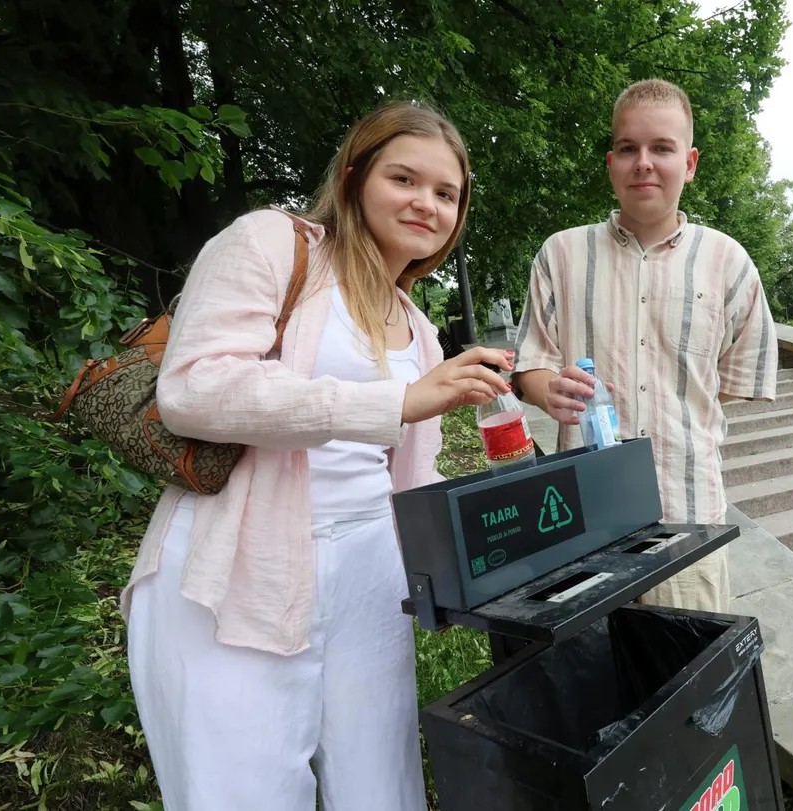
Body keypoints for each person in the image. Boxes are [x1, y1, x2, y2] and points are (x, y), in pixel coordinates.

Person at [122, 101, 512, 811]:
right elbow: (194, 388)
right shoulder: (274, 244)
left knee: (382, 791)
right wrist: (393, 403)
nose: (426, 202)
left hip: (369, 575)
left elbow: (410, 477)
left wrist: (489, 545)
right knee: (242, 792)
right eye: (405, 178)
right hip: (239, 573)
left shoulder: (420, 330)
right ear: (357, 173)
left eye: (446, 193)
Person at [511, 79, 778, 612]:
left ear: (691, 162)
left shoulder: (728, 263)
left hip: (688, 519)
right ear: (611, 162)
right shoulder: (560, 255)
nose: (644, 162)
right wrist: (549, 392)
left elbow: (729, 385)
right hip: (583, 522)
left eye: (662, 148)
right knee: (595, 686)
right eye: (629, 148)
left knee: (686, 683)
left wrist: (672, 400)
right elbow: (528, 367)